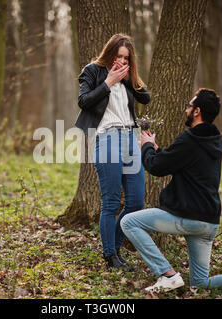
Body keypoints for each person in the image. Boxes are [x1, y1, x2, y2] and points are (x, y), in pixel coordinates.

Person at [120, 88, 222, 298]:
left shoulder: (190, 138)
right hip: (208, 222)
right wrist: (157, 150)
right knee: (200, 283)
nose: (186, 109)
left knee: (129, 222)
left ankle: (167, 275)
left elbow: (156, 168)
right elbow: (182, 161)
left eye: (189, 106)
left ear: (197, 111)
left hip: (188, 217)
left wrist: (147, 147)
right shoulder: (214, 140)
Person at [75, 34, 151, 270]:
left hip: (131, 136)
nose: (121, 61)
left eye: (126, 58)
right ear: (109, 54)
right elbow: (84, 101)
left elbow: (145, 98)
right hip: (107, 136)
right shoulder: (93, 71)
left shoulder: (128, 76)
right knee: (110, 202)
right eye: (118, 56)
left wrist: (129, 78)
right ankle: (110, 256)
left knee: (136, 201)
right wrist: (108, 81)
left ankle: (115, 248)